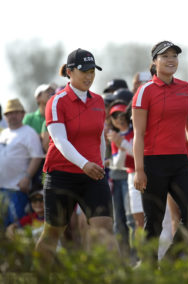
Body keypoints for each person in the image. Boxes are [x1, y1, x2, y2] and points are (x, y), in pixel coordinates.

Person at [35, 48, 118, 264]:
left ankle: (108, 278)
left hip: (92, 174)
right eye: (84, 71)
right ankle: (37, 276)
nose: (89, 76)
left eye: (92, 71)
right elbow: (60, 141)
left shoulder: (99, 101)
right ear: (70, 72)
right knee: (53, 233)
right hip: (61, 176)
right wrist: (85, 164)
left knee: (105, 228)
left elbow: (100, 137)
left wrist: (98, 166)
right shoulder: (56, 101)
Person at [132, 41, 188, 263]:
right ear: (154, 62)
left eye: (174, 56)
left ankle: (170, 261)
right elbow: (139, 135)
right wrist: (139, 170)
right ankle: (149, 269)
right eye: (165, 56)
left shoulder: (186, 89)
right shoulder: (145, 92)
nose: (171, 60)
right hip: (153, 163)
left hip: (180, 162)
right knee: (153, 222)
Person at [106, 99, 143, 263]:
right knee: (133, 219)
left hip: (144, 173)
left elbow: (139, 155)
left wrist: (123, 144)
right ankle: (134, 258)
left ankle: (143, 254)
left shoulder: (135, 131)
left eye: (122, 114)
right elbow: (118, 164)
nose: (119, 118)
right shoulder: (116, 137)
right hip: (130, 176)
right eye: (115, 116)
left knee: (141, 218)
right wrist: (121, 146)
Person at [0, 98, 43, 230]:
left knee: (16, 227)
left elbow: (37, 157)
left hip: (18, 188)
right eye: (8, 113)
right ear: (5, 116)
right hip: (2, 189)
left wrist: (27, 177)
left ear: (22, 114)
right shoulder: (3, 133)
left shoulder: (29, 133)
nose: (12, 116)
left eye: (15, 112)